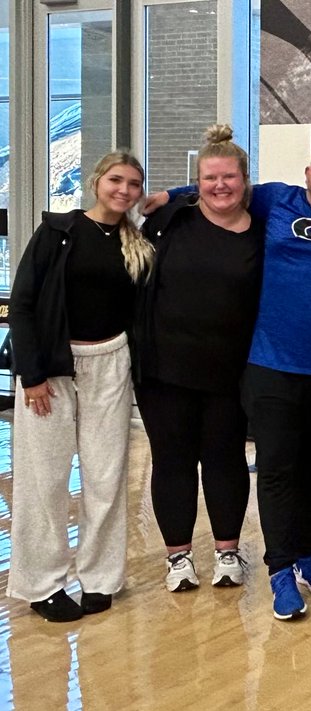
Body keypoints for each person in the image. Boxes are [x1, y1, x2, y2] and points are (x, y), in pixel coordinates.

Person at [146, 138, 311, 620]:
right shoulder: (276, 199)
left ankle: (308, 553)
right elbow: (222, 186)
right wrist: (170, 194)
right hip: (273, 366)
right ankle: (280, 568)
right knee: (278, 469)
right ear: (308, 173)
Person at [8, 151, 154, 621]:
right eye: (116, 180)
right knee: (45, 479)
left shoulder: (138, 244)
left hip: (110, 364)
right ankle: (41, 584)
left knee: (106, 477)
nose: (124, 190)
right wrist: (31, 375)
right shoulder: (58, 231)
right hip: (52, 370)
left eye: (134, 184)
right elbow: (23, 303)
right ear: (96, 182)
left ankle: (101, 577)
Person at [136, 125, 262, 592]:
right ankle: (178, 558)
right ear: (197, 182)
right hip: (164, 370)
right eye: (210, 178)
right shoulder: (170, 220)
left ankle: (228, 552)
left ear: (244, 179)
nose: (219, 185)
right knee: (172, 461)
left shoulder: (263, 231)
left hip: (231, 373)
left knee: (225, 460)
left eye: (229, 177)